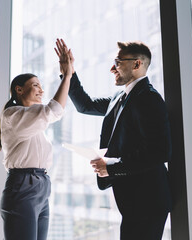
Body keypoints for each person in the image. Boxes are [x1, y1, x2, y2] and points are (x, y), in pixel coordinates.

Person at [60, 40, 172, 240]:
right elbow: (85, 105)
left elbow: (159, 151)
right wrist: (69, 74)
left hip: (148, 200)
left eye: (118, 62)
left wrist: (110, 167)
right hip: (133, 202)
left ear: (137, 64)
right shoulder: (118, 98)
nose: (112, 68)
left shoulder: (148, 98)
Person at [0, 39, 72, 240]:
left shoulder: (34, 125)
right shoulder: (12, 115)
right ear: (19, 89)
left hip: (41, 186)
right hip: (23, 185)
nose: (41, 90)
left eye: (41, 86)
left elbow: (51, 113)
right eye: (35, 85)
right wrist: (67, 76)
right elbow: (53, 110)